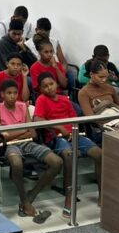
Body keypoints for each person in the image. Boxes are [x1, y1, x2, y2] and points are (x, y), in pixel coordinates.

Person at [0, 78, 62, 223]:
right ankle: (24, 200)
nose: (12, 96)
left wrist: (12, 132)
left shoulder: (23, 106)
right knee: (17, 163)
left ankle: (32, 194)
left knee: (57, 162)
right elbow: (0, 137)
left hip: (28, 142)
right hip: (9, 145)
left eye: (15, 93)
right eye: (9, 93)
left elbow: (33, 133)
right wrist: (22, 130)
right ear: (2, 94)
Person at [34, 72, 102, 217]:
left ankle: (102, 194)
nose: (49, 88)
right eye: (45, 86)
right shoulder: (41, 99)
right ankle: (69, 199)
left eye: (51, 84)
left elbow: (74, 119)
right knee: (69, 155)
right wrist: (59, 127)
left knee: (99, 154)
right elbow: (37, 119)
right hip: (55, 137)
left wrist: (73, 134)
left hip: (73, 134)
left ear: (56, 84)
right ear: (40, 89)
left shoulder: (64, 99)